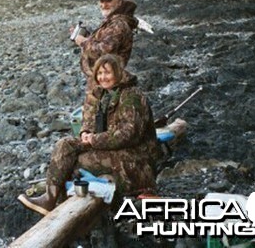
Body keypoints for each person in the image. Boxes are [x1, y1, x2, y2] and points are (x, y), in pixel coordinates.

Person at [18, 54, 159, 216]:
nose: (103, 77)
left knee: (77, 163)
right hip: (114, 149)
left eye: (107, 73)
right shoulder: (105, 94)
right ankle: (49, 198)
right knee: (66, 145)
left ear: (118, 73)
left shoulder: (132, 96)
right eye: (99, 73)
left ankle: (62, 206)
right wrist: (86, 132)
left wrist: (95, 140)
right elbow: (90, 118)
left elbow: (129, 134)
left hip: (137, 160)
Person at [72, 0, 138, 84]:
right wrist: (88, 36)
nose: (103, 5)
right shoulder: (113, 19)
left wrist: (83, 43)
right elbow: (106, 40)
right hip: (101, 77)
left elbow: (104, 50)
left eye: (108, 1)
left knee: (101, 100)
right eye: (101, 1)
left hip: (108, 80)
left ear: (119, 1)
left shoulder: (118, 24)